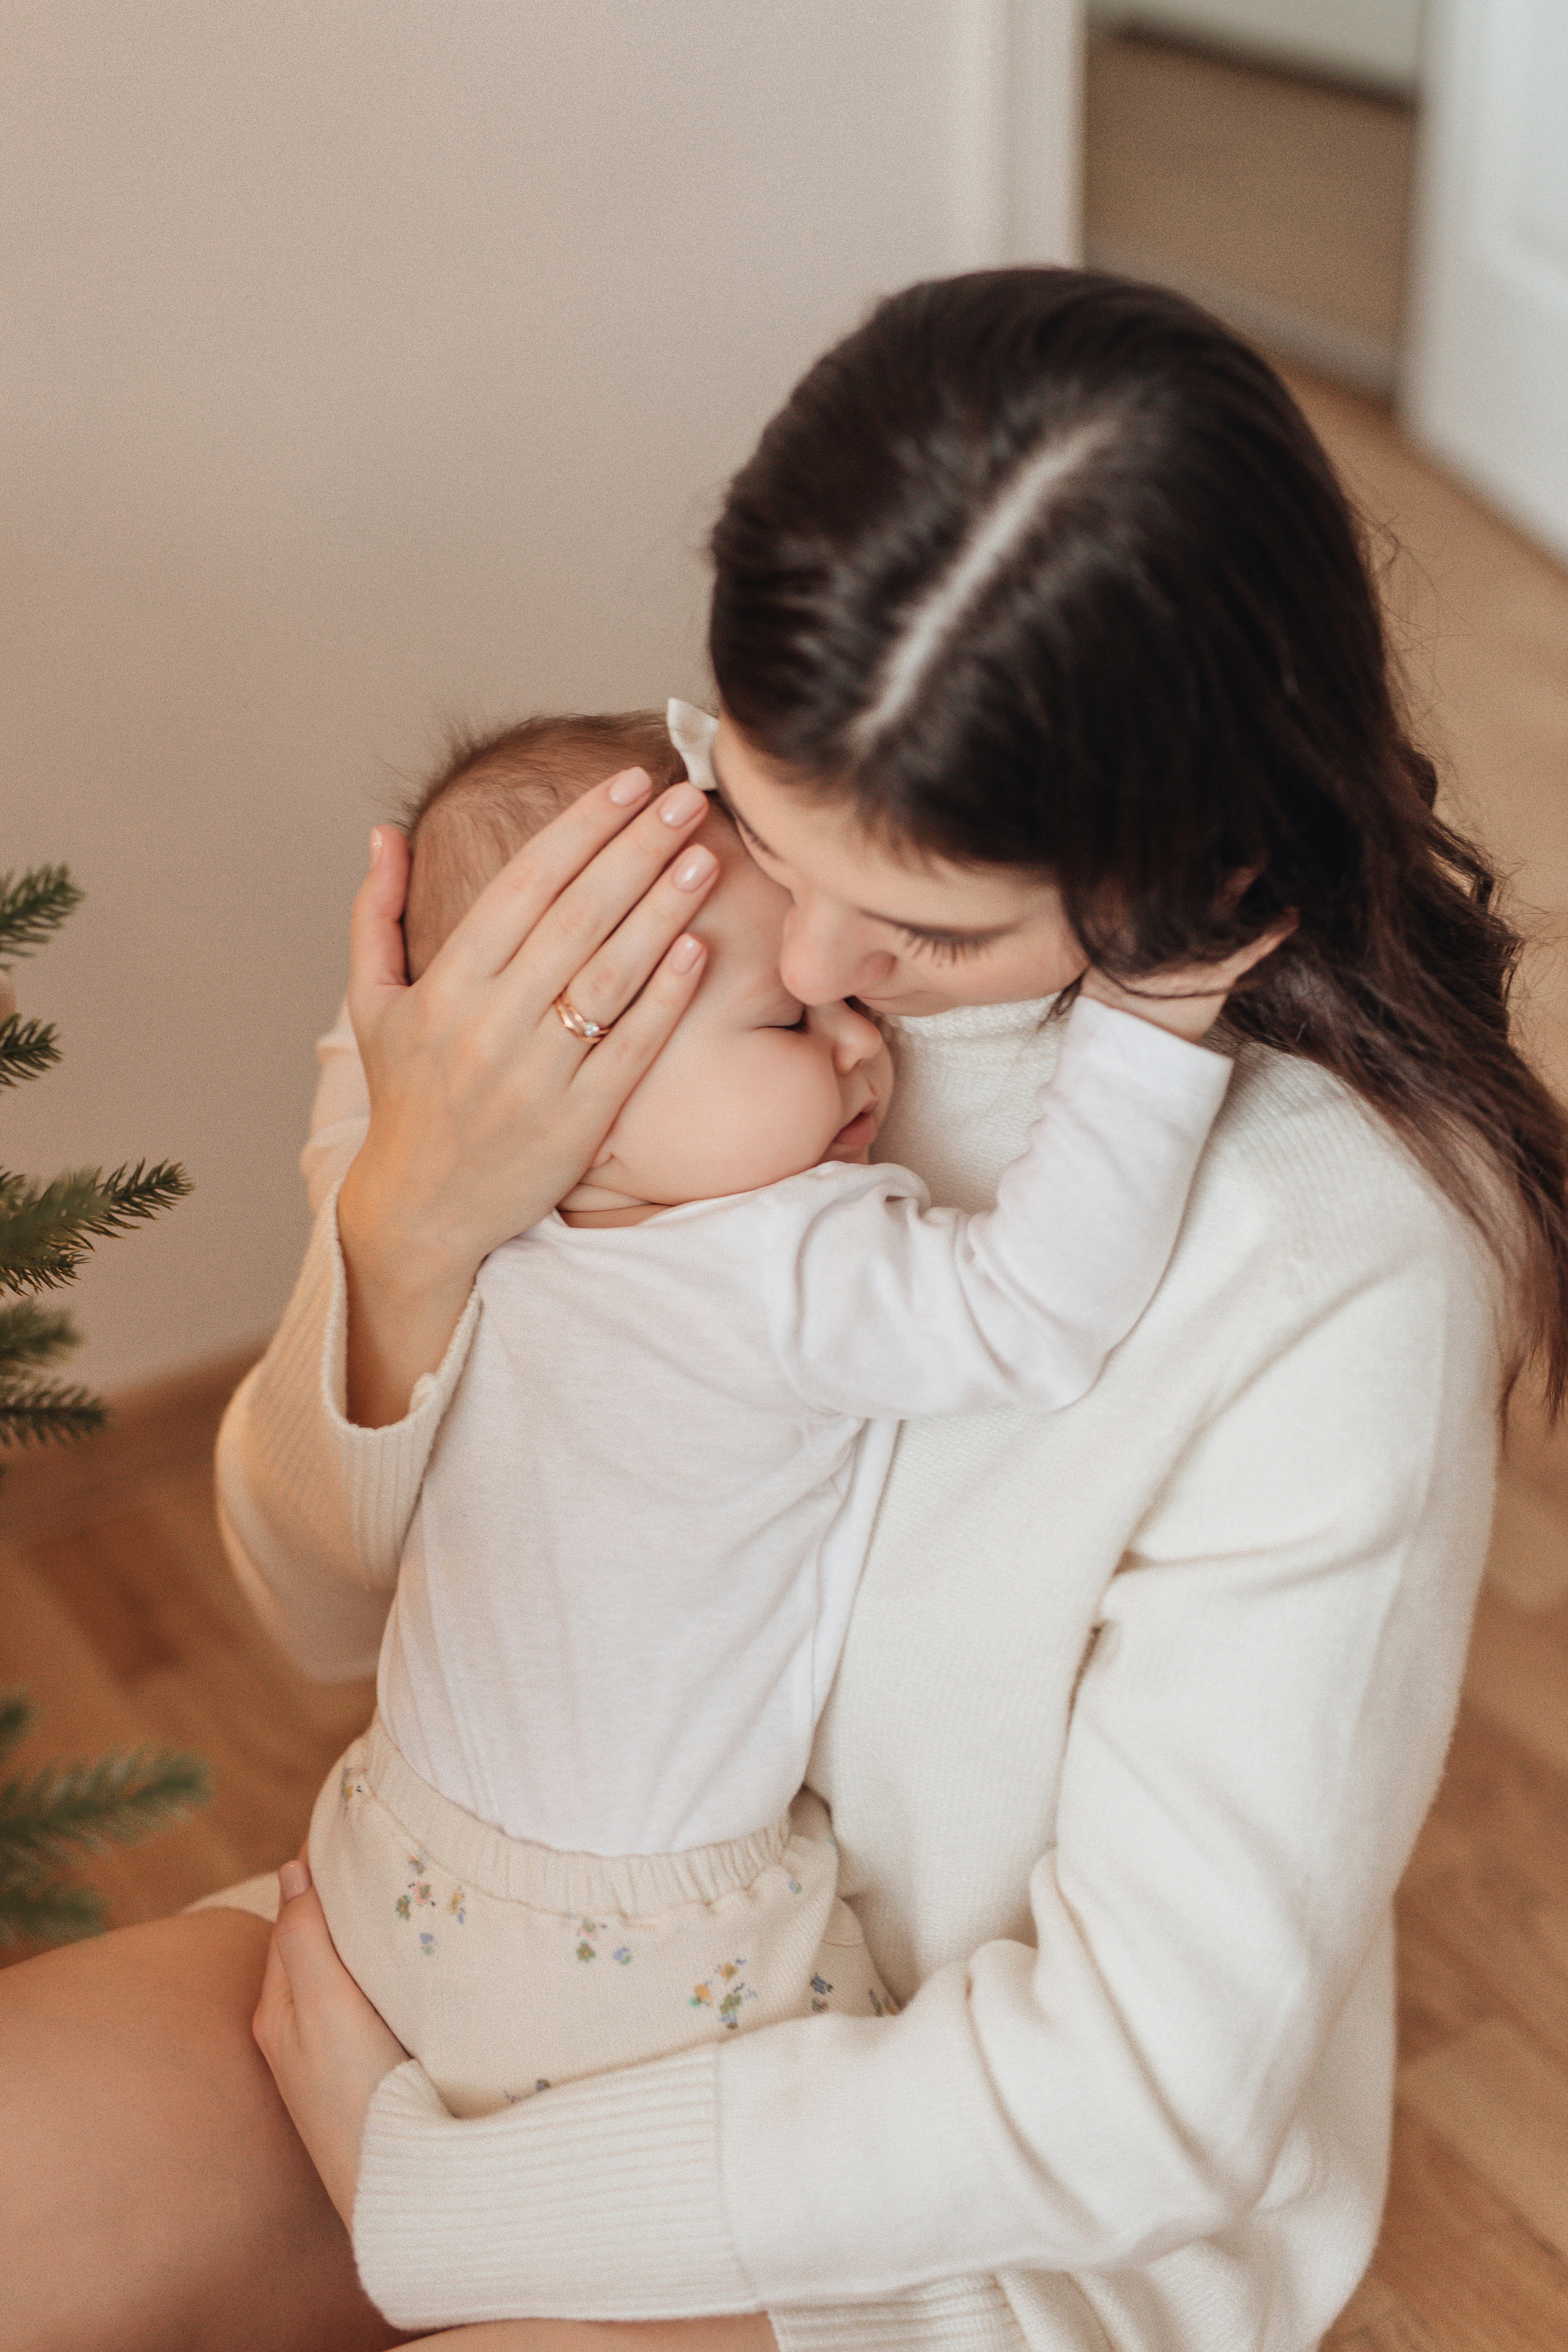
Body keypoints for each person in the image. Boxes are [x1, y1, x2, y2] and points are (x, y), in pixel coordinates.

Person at [5, 267, 1566, 2352]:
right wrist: (402, 1235)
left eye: (924, 928)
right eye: (748, 793)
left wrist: (449, 2205)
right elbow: (319, 1622)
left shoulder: (1339, 1248)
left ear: (1182, 862)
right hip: (484, 1956)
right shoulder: (619, 903)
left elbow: (1139, 2099)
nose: (809, 956)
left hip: (957, 2198)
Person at [220, 699, 1237, 2125]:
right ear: (574, 1082)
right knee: (851, 2146)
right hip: (648, 1942)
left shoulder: (509, 1245)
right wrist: (1148, 1028)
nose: (860, 1047)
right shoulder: (775, 1257)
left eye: (857, 1010)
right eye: (789, 1020)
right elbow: (1033, 1311)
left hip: (394, 1846)